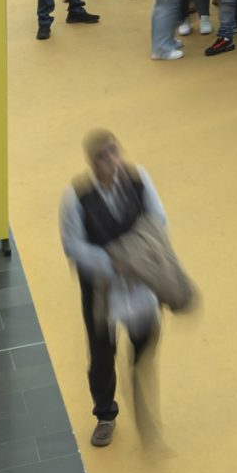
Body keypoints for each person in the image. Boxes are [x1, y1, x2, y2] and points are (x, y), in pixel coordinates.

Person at [58, 131, 165, 448]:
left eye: (114, 152)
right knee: (102, 352)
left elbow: (157, 220)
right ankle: (105, 414)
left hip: (141, 278)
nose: (112, 161)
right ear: (92, 163)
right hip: (101, 288)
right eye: (103, 157)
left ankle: (145, 408)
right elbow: (72, 244)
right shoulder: (76, 197)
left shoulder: (138, 179)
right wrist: (111, 263)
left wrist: (137, 256)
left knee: (145, 342)